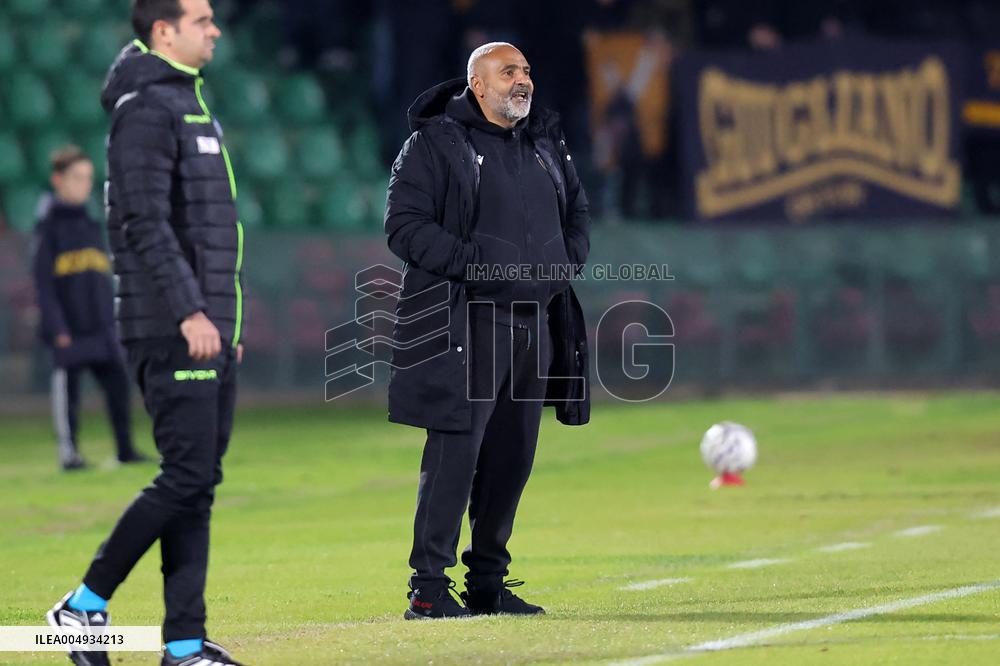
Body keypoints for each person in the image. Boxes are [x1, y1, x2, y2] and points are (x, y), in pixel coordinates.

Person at [45, 1, 247, 665]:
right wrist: (191, 312)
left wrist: (224, 322)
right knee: (187, 475)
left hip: (206, 327)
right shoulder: (146, 108)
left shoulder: (187, 102)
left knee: (197, 483)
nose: (215, 30)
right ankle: (81, 607)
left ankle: (184, 645)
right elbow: (143, 222)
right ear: (164, 31)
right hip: (171, 326)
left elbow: (208, 231)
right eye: (202, 20)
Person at [384, 42, 591, 619]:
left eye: (526, 70)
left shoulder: (546, 143)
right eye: (509, 72)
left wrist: (564, 265)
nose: (522, 80)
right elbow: (403, 227)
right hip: (466, 321)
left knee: (512, 457)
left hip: (534, 324)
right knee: (455, 454)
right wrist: (476, 265)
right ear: (478, 84)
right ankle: (427, 588)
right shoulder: (435, 144)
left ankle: (487, 584)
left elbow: (577, 213)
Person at [31, 146, 147, 471]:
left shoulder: (92, 223)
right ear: (58, 180)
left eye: (87, 179)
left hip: (101, 328)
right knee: (68, 394)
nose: (83, 185)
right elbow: (44, 284)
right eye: (76, 178)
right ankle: (69, 454)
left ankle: (125, 449)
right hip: (71, 330)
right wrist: (58, 329)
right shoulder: (49, 227)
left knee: (118, 387)